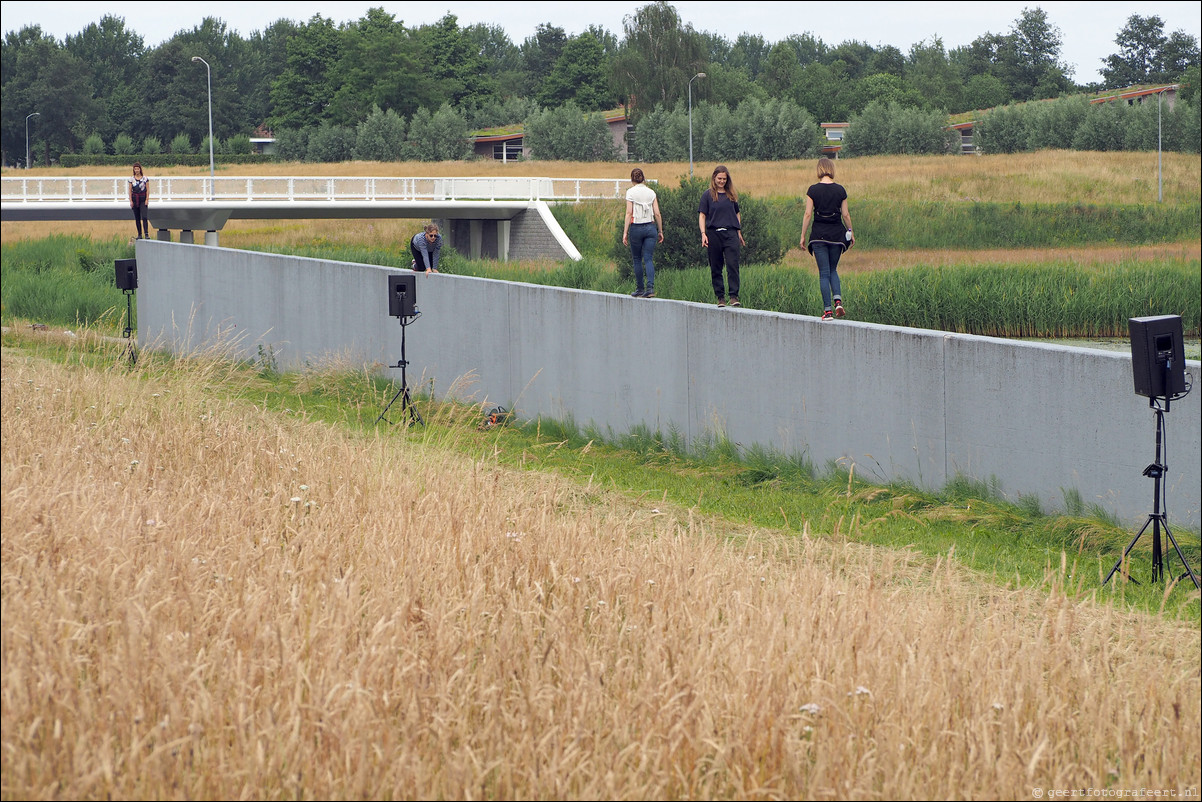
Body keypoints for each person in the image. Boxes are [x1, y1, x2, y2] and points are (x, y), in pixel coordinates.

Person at [800, 157, 854, 320]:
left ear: (819, 170)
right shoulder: (840, 190)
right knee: (833, 270)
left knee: (823, 273)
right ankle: (838, 301)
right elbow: (845, 214)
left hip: (819, 236)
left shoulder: (813, 190)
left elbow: (808, 214)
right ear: (832, 169)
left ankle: (828, 311)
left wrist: (803, 235)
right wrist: (851, 232)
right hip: (837, 236)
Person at [697, 164, 745, 307]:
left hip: (730, 233)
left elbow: (737, 213)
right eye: (719, 178)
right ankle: (720, 297)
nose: (722, 181)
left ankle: (734, 296)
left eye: (724, 179)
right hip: (714, 233)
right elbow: (702, 215)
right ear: (714, 178)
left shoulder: (731, 195)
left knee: (732, 265)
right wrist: (703, 234)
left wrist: (739, 232)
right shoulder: (707, 195)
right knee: (716, 266)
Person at [622, 167, 663, 298]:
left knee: (637, 259)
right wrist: (660, 230)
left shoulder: (630, 192)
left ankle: (640, 288)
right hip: (650, 227)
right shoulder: (651, 192)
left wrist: (625, 232)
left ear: (632, 179)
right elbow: (657, 213)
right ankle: (650, 288)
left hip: (636, 228)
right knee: (648, 258)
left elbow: (629, 213)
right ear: (643, 178)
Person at [128, 163, 150, 240]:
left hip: (142, 198)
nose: (137, 170)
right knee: (137, 218)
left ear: (140, 169)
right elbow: (130, 190)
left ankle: (146, 234)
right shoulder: (131, 179)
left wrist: (147, 199)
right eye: (135, 169)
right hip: (135, 198)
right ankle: (139, 234)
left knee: (144, 217)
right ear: (134, 170)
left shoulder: (145, 179)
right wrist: (130, 200)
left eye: (138, 169)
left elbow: (147, 189)